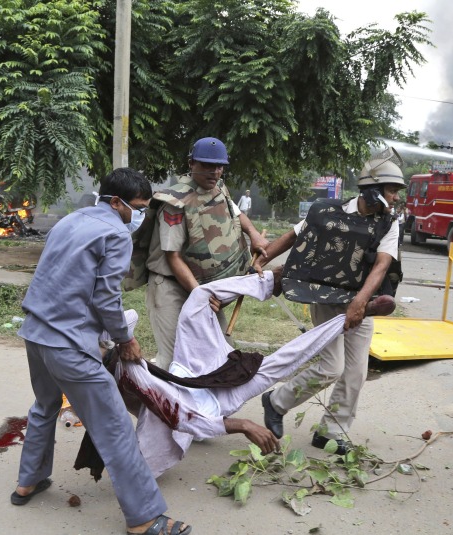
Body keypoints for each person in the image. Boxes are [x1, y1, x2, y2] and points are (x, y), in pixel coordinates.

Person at [12, 168, 192, 535]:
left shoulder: (70, 221)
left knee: (44, 406)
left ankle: (27, 481)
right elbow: (106, 296)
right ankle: (143, 519)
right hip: (69, 345)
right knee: (114, 429)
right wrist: (125, 339)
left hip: (36, 334)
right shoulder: (114, 232)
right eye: (137, 208)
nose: (138, 216)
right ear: (115, 202)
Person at [104, 271, 395, 477]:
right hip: (210, 402)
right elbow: (186, 418)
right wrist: (243, 424)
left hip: (188, 371)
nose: (134, 347)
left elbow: (124, 321)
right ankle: (350, 318)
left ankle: (271, 280)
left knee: (198, 297)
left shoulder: (119, 361)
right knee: (285, 360)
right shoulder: (129, 376)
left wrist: (121, 339)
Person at [255, 147, 405, 455]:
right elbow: (293, 236)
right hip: (325, 298)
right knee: (332, 367)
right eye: (392, 191)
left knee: (356, 372)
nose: (396, 198)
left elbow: (381, 266)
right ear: (374, 190)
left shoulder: (388, 224)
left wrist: (361, 303)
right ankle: (276, 401)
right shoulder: (325, 210)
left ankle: (330, 431)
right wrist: (262, 260)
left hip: (361, 302)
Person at [145, 137, 269, 370]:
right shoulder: (175, 202)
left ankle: (206, 405)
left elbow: (235, 212)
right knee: (173, 358)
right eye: (207, 166)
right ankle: (153, 402)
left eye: (219, 167)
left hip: (201, 286)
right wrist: (202, 295)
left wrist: (253, 234)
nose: (214, 172)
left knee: (222, 350)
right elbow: (173, 257)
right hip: (170, 286)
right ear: (192, 164)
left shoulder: (219, 188)